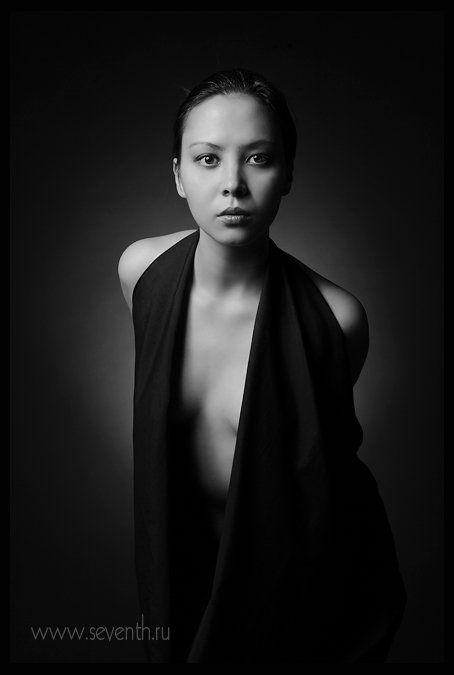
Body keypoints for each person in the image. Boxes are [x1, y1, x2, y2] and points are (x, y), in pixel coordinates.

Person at [118, 68, 406, 663]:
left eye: (258, 158)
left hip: (303, 599)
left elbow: (321, 475)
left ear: (288, 174)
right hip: (185, 584)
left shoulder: (336, 319)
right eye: (207, 159)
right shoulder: (141, 272)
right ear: (177, 175)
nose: (232, 184)